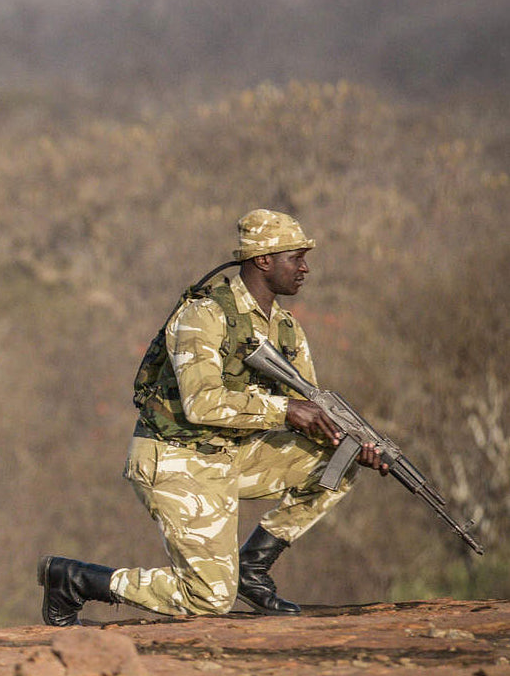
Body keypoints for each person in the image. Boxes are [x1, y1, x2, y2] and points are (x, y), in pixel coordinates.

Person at [39, 209, 387, 626]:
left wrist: (351, 443)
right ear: (264, 260)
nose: (305, 268)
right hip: (176, 459)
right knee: (209, 599)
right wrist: (284, 410)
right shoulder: (202, 315)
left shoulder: (286, 329)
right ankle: (75, 579)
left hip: (230, 456)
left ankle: (252, 568)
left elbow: (308, 408)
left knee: (337, 464)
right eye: (296, 258)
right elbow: (201, 403)